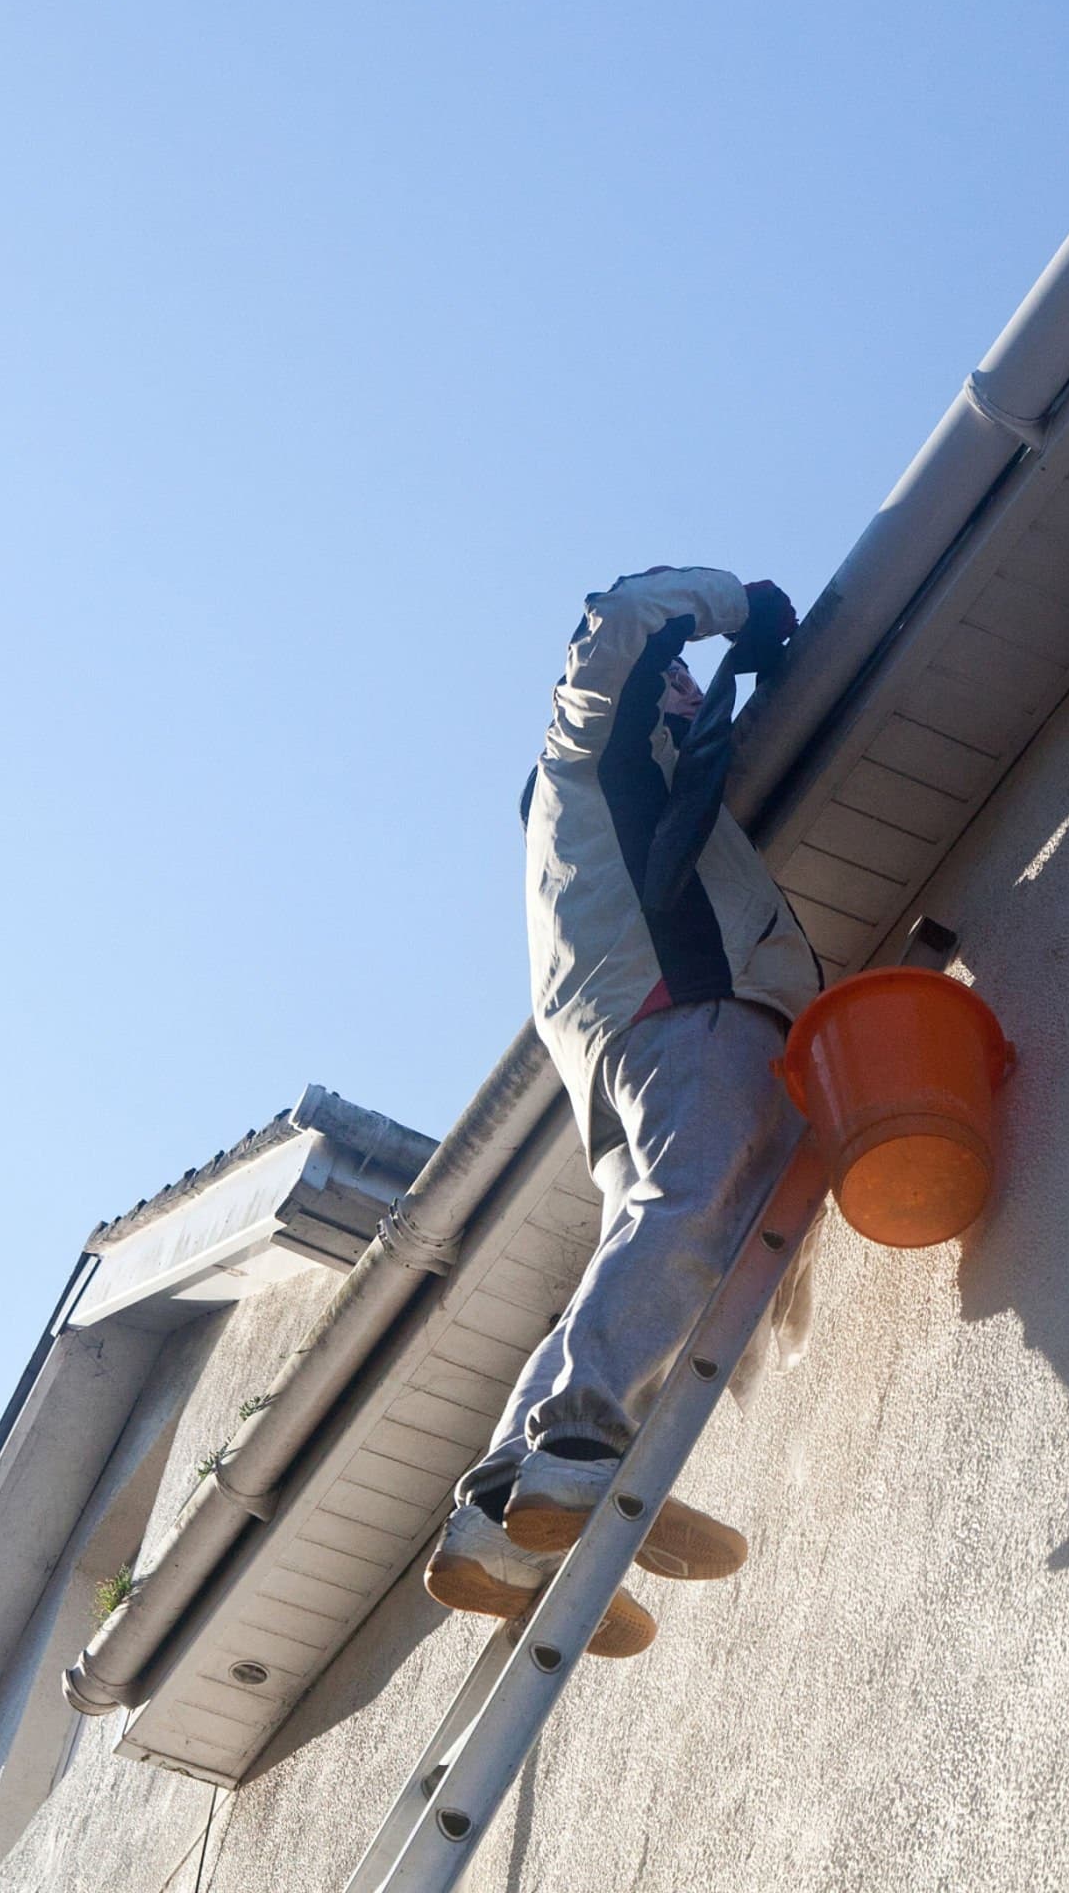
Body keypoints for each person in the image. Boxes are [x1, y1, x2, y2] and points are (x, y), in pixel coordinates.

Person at [425, 566, 822, 1655]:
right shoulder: (591, 744)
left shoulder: (579, 821)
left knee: (666, 1234)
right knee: (691, 1204)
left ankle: (501, 1514)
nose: (693, 699)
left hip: (622, 1053)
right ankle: (576, 1444)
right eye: (681, 689)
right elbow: (622, 615)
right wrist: (740, 608)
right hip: (683, 1004)